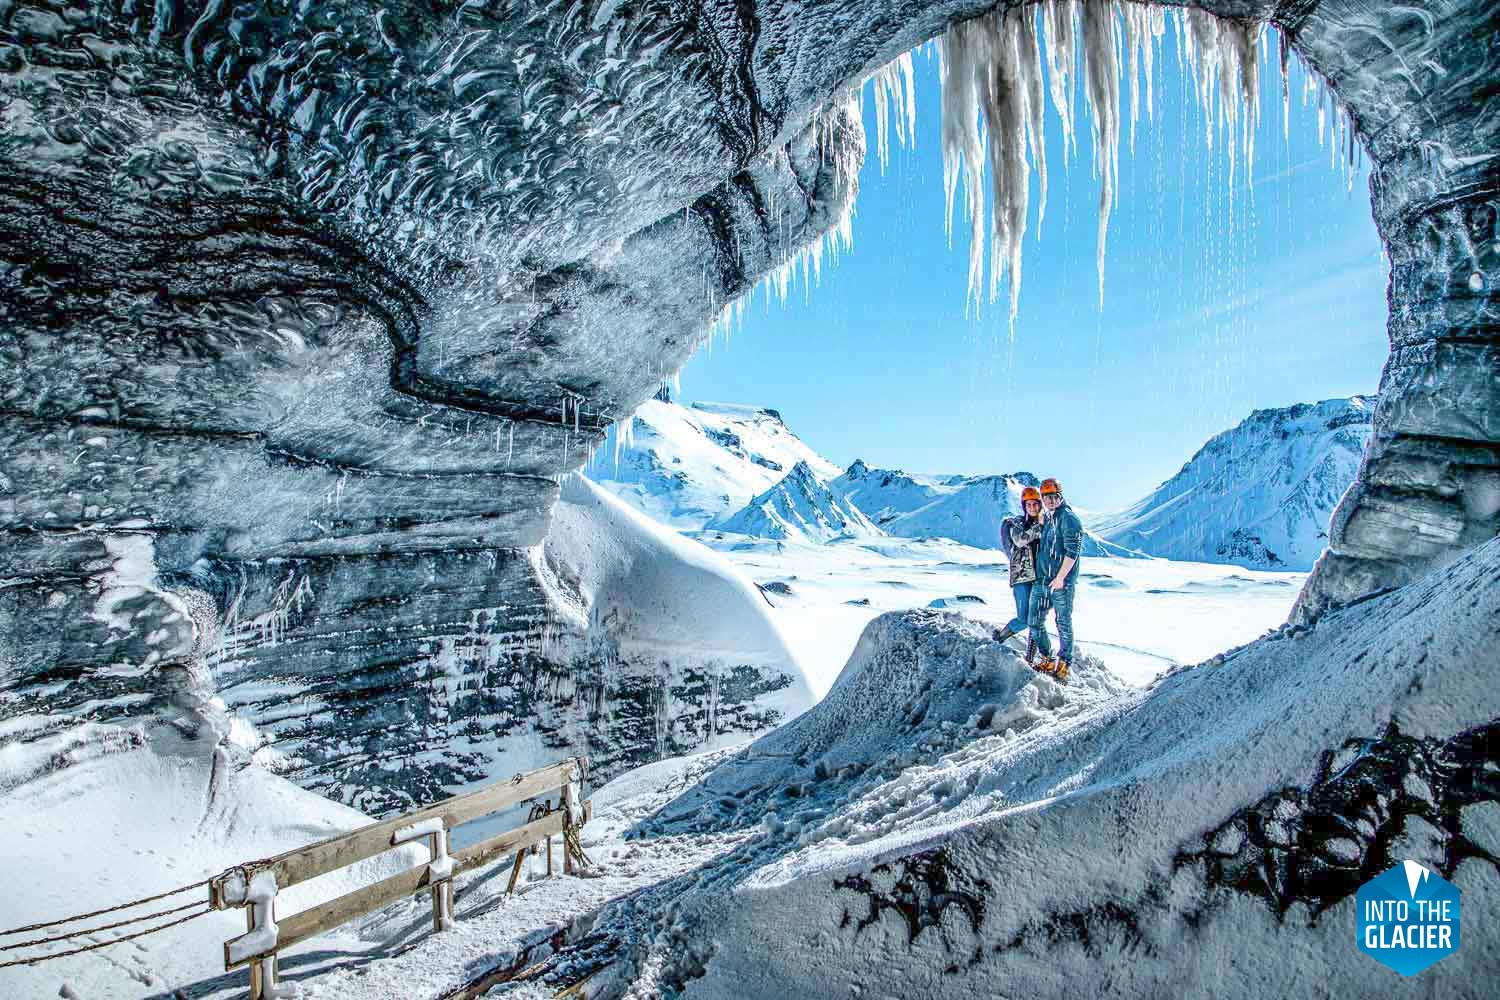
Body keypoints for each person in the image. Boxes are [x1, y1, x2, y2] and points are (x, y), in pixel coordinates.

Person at [1029, 477, 1082, 682]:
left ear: (1060, 496)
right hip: (1043, 580)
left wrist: (1060, 578)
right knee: (1034, 621)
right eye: (1046, 497)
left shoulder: (1069, 518)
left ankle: (1064, 663)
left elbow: (1072, 551)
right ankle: (1047, 658)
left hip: (1061, 583)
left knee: (1062, 622)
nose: (1050, 500)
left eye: (1053, 496)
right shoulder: (1050, 518)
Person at [995, 487, 1044, 645]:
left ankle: (1031, 654)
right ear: (1024, 507)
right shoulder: (1017, 523)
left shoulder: (1047, 525)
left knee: (1036, 620)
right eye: (1028, 505)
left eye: (1035, 504)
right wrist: (1038, 528)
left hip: (1040, 578)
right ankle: (1000, 637)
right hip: (1022, 577)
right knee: (1024, 619)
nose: (1032, 508)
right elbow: (1019, 540)